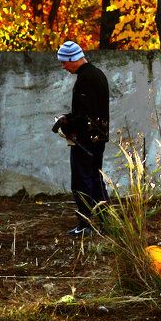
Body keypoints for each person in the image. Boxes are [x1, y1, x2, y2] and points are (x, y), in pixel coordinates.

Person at [52, 40, 109, 236]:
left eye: (64, 62)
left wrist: (66, 122)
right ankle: (105, 222)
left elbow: (86, 115)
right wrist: (69, 118)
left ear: (72, 59)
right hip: (97, 138)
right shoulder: (96, 74)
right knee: (95, 179)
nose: (63, 67)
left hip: (86, 140)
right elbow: (90, 111)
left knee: (82, 181)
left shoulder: (86, 79)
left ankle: (85, 224)